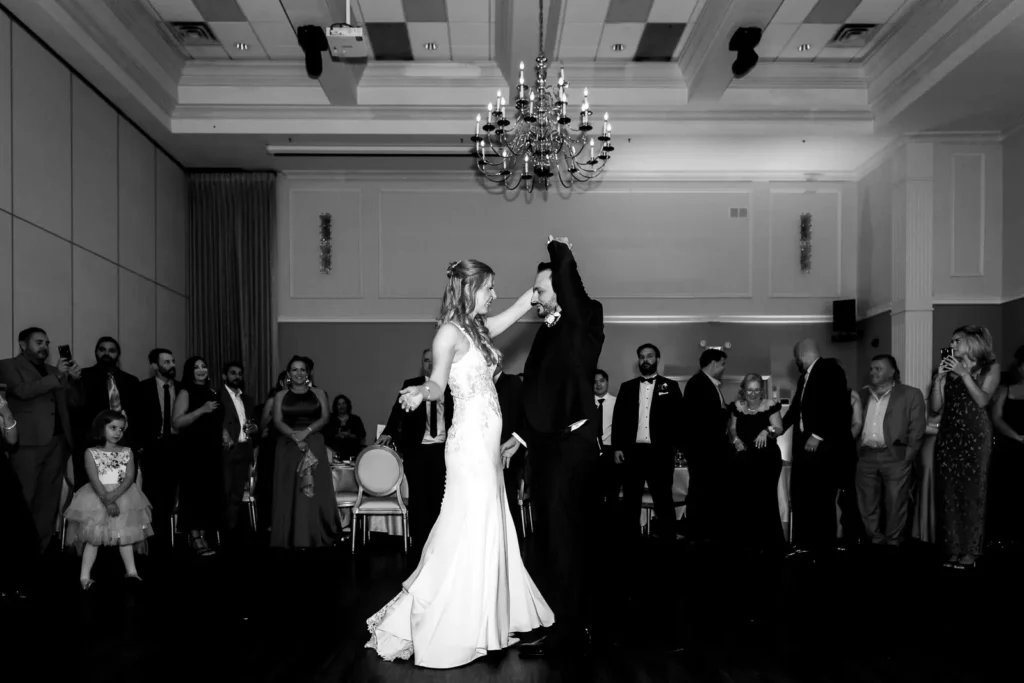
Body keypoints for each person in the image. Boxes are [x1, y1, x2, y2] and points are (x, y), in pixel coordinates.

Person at [366, 258, 551, 669]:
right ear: (470, 289)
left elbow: (515, 312)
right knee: (470, 522)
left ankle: (492, 615)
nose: (493, 294)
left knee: (490, 521)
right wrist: (419, 393)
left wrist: (547, 278)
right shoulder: (448, 331)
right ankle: (458, 618)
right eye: (489, 288)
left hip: (485, 444)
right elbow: (436, 382)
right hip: (467, 443)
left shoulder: (478, 329)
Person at [518, 236, 605, 658]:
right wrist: (517, 441)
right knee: (550, 541)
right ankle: (559, 624)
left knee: (570, 541)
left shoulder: (585, 319)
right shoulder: (546, 334)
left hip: (574, 447)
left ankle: (572, 632)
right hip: (547, 448)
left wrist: (561, 252)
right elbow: (536, 390)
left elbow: (574, 291)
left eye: (539, 289)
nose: (532, 296)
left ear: (561, 290)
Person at [0, 327, 82, 553]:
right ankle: (16, 552)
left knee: (48, 501)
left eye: (47, 343)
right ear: (23, 344)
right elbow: (23, 391)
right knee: (23, 499)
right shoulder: (7, 366)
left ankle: (40, 551)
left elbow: (74, 403)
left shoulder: (54, 370)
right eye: (39, 342)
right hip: (27, 443)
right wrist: (56, 377)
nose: (45, 347)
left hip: (57, 443)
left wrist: (73, 380)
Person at [932, 326, 999, 569]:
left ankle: (971, 551)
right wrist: (938, 380)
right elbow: (937, 407)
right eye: (951, 341)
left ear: (973, 342)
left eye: (957, 340)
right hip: (948, 435)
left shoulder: (990, 368)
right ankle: (953, 550)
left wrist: (963, 374)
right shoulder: (948, 370)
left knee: (972, 493)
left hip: (974, 435)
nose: (952, 344)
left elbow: (982, 400)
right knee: (948, 493)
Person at [63, 411, 153, 590]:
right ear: (101, 427)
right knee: (94, 537)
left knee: (124, 535)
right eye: (113, 427)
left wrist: (114, 497)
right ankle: (84, 576)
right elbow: (94, 479)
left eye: (121, 429)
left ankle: (132, 571)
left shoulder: (127, 452)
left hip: (123, 497)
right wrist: (107, 500)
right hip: (97, 497)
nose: (117, 432)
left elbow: (129, 477)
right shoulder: (91, 452)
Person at [781, 339, 851, 558]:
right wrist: (776, 429)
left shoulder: (830, 369)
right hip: (803, 448)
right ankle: (804, 544)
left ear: (801, 355)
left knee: (821, 499)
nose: (796, 362)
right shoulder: (805, 378)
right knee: (802, 495)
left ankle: (823, 548)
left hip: (822, 448)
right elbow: (795, 410)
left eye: (796, 358)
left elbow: (839, 406)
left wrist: (818, 435)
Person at [854, 355, 925, 548]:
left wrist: (908, 456)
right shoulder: (862, 395)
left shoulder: (910, 394)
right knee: (866, 501)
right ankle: (875, 539)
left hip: (895, 456)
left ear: (892, 371)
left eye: (878, 368)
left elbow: (917, 428)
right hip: (866, 455)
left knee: (895, 501)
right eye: (871, 368)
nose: (872, 372)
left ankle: (893, 540)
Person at [269, 356, 339, 549]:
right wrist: (294, 436)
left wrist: (306, 432)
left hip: (314, 442)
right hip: (288, 446)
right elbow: (277, 420)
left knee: (314, 492)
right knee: (290, 491)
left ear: (308, 373)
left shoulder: (319, 393)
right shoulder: (281, 396)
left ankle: (314, 535)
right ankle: (291, 536)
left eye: (302, 370)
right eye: (294, 370)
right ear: (288, 374)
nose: (299, 373)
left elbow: (325, 417)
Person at [728, 373, 786, 553]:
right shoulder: (737, 407)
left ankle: (769, 543)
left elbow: (779, 428)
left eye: (757, 390)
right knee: (744, 500)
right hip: (744, 459)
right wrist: (735, 439)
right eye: (749, 390)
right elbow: (731, 429)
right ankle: (747, 542)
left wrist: (766, 430)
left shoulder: (769, 405)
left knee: (765, 499)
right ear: (743, 391)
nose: (753, 394)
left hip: (767, 459)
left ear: (762, 391)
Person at [172, 356, 223, 556]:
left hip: (212, 451)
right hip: (193, 451)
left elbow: (216, 420)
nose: (201, 370)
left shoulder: (212, 392)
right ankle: (195, 537)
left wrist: (224, 434)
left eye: (204, 366)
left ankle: (202, 534)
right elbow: (176, 422)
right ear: (189, 371)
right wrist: (202, 410)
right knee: (194, 493)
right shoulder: (186, 391)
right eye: (196, 367)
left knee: (208, 494)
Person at [0, 391, 34, 601]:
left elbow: (12, 442)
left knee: (14, 527)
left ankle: (15, 582)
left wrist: (5, 412)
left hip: (2, 473)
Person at [325, 394, 366, 462]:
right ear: (336, 406)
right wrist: (337, 435)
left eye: (343, 403)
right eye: (339, 404)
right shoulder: (330, 420)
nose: (341, 406)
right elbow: (325, 436)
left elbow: (362, 435)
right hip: (334, 454)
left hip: (353, 454)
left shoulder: (355, 419)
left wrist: (350, 435)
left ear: (347, 405)